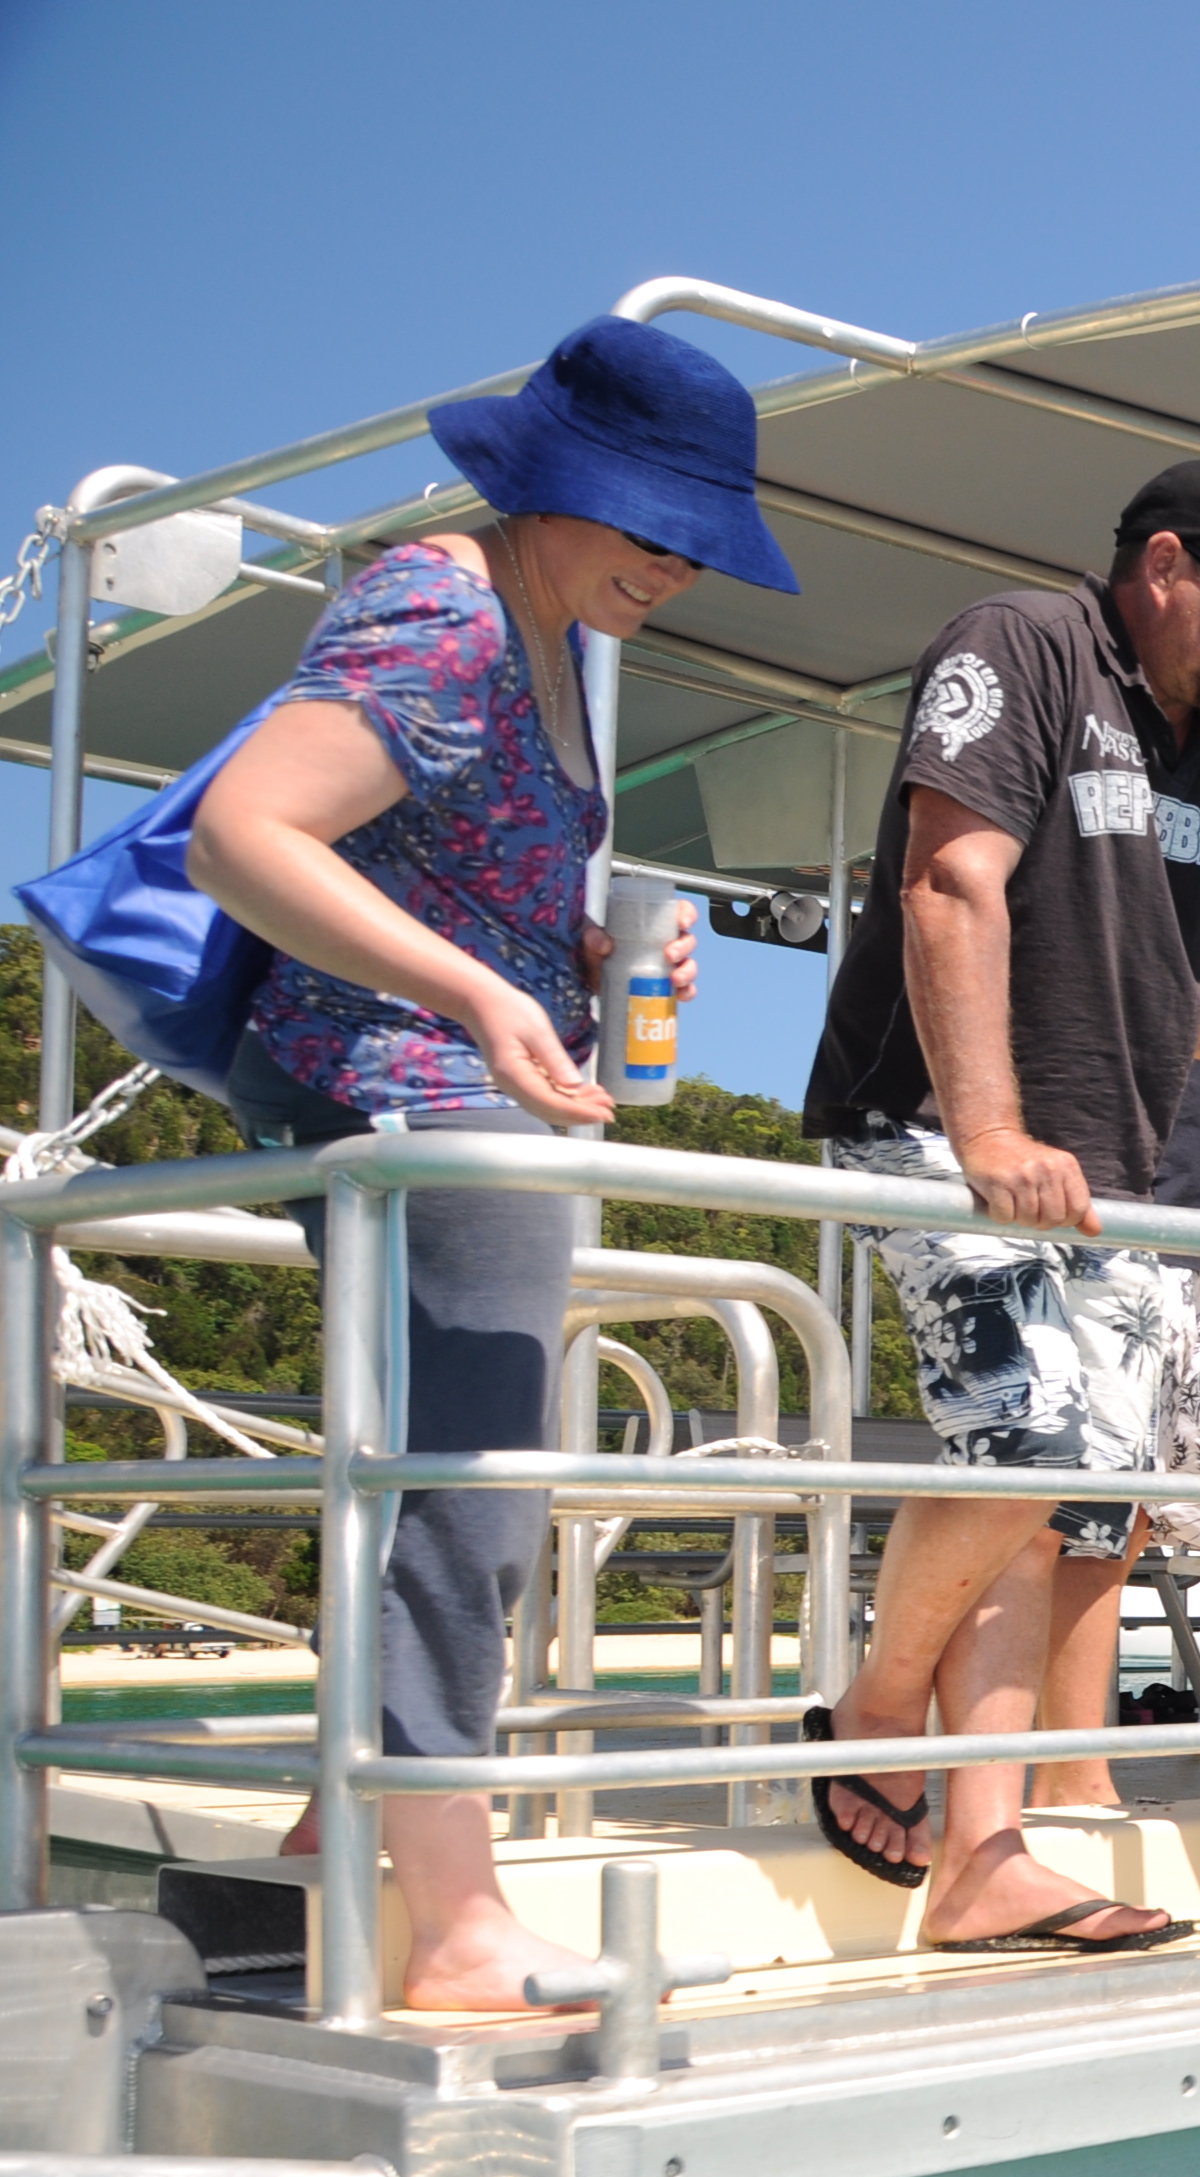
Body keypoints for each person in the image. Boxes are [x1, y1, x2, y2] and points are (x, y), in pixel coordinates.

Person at [184, 316, 773, 2010]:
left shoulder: (541, 620)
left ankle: (336, 1839)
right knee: (478, 1491)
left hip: (449, 1074)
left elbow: (447, 861)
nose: (672, 564)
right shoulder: (444, 604)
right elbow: (246, 830)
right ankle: (453, 1925)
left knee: (432, 1485)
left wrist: (571, 962)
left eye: (693, 539)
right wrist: (475, 987)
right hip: (412, 1087)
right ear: (550, 483)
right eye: (649, 521)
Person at [798, 456, 1200, 1948]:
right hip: (932, 1121)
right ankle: (875, 1715)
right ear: (1167, 563)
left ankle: (984, 1856)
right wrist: (988, 1122)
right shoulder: (1024, 646)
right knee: (1040, 1437)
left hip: (1108, 1167)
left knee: (1062, 1494)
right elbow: (951, 882)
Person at [1033, 975, 1200, 1806]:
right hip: (1106, 1242)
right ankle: (1065, 1773)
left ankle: (1073, 1764)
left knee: (1141, 1521)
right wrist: (1181, 1025)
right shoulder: (1119, 916)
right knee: (1082, 1520)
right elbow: (1044, 1037)